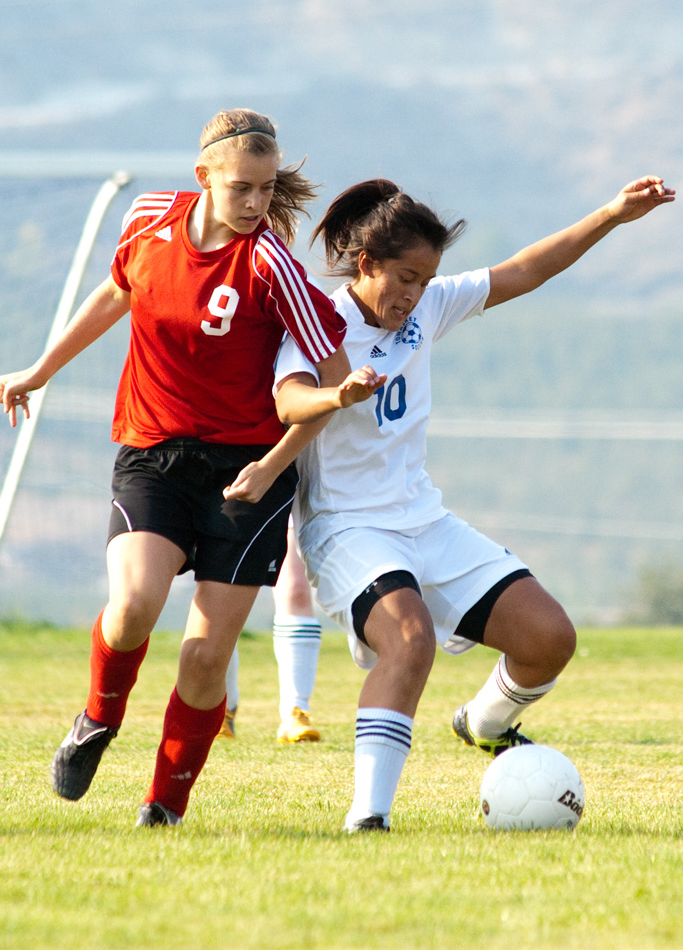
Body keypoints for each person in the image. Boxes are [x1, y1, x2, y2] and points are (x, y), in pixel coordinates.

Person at [0, 108, 383, 828]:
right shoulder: (147, 219)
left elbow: (330, 391)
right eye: (242, 188)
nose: (257, 203)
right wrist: (40, 370)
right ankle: (97, 718)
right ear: (203, 176)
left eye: (267, 188)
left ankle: (164, 808)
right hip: (155, 453)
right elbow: (118, 293)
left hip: (249, 474)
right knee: (131, 609)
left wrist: (273, 465)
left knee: (206, 657)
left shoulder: (271, 266)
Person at [270, 174, 675, 832]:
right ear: (366, 264)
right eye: (405, 278)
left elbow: (525, 269)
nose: (415, 294)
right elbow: (288, 400)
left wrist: (610, 214)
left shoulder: (427, 308)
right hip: (345, 530)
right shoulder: (318, 322)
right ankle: (368, 818)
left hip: (424, 521)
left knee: (550, 639)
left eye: (426, 280)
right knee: (409, 640)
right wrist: (336, 395)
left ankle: (483, 724)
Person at [216, 526, 324, 743]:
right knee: (221, 594)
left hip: (285, 505)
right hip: (230, 507)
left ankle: (296, 712)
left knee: (297, 591)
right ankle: (221, 710)